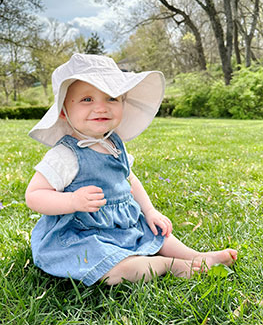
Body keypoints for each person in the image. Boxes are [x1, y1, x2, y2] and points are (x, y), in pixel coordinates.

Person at [25, 53, 237, 286]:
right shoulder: (65, 155)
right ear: (64, 111)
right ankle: (168, 265)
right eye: (87, 99)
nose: (101, 107)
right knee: (114, 270)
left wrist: (150, 211)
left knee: (158, 234)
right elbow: (34, 196)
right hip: (82, 233)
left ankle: (195, 256)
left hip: (123, 223)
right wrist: (72, 201)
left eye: (112, 98)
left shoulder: (115, 143)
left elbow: (129, 179)